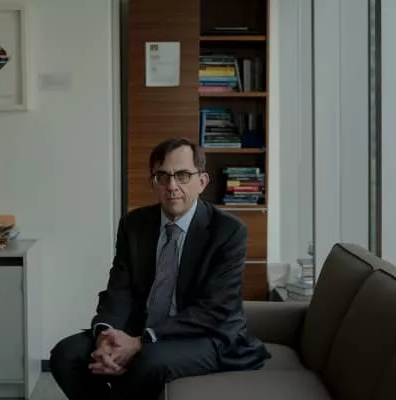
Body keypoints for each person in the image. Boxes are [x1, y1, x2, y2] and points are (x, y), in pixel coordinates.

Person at [50, 138, 271, 400]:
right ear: (153, 182)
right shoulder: (134, 224)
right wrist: (104, 335)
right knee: (66, 355)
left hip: (207, 336)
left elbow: (214, 310)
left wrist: (141, 341)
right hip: (141, 327)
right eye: (162, 176)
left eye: (183, 175)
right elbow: (119, 290)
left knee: (148, 360)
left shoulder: (228, 231)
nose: (172, 186)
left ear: (202, 182)